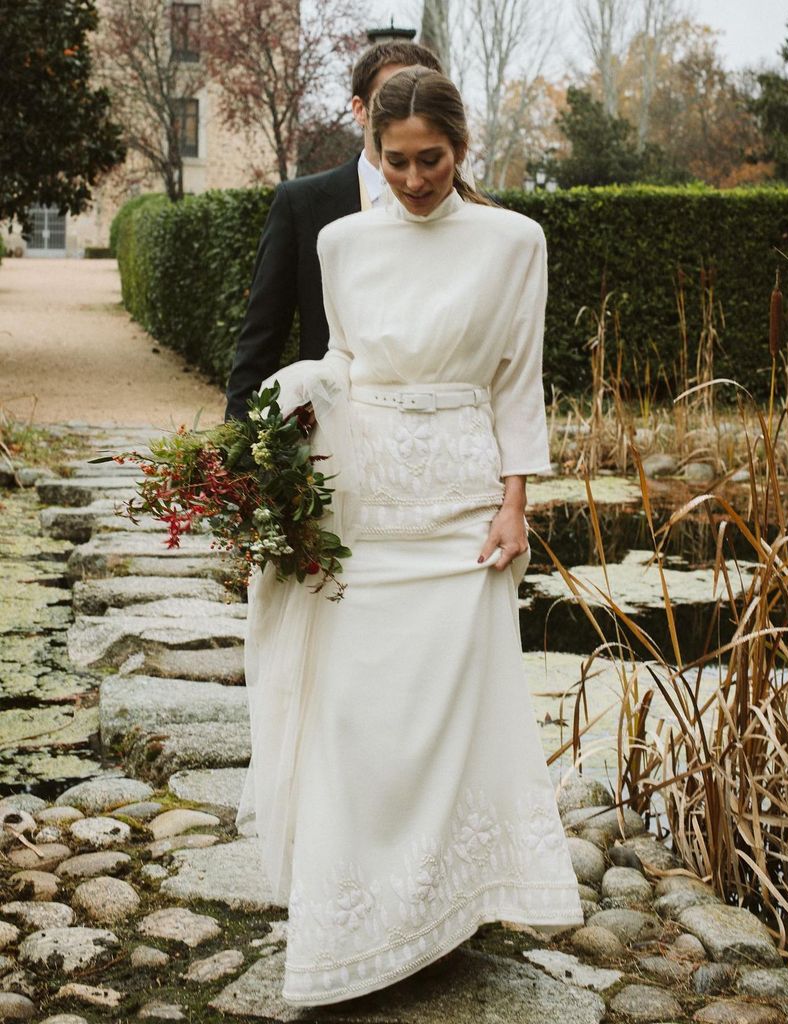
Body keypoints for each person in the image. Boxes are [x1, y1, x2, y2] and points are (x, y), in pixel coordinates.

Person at [236, 67, 582, 1007]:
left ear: (461, 149)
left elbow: (519, 382)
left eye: (431, 159)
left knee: (448, 717)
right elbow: (344, 357)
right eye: (396, 161)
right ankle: (353, 924)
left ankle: (440, 914)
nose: (415, 178)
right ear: (373, 150)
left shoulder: (516, 241)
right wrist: (301, 393)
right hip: (366, 507)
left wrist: (515, 505)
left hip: (464, 514)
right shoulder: (342, 241)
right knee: (356, 714)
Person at [224, 41, 443, 422]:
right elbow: (262, 338)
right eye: (390, 97)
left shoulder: (476, 215)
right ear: (359, 109)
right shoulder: (302, 204)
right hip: (330, 432)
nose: (407, 110)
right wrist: (237, 451)